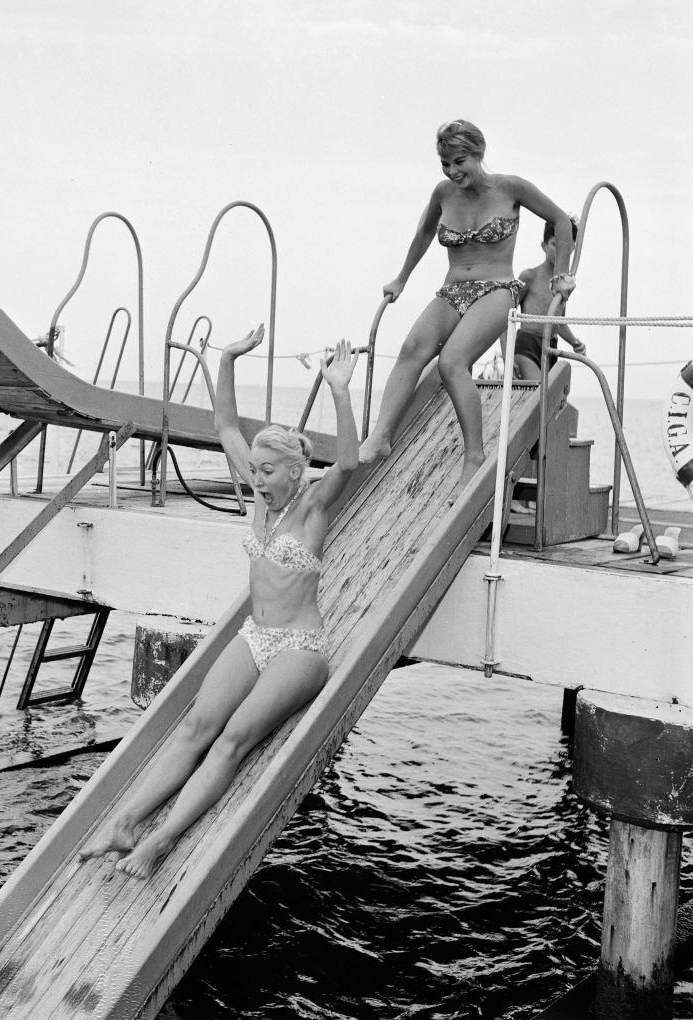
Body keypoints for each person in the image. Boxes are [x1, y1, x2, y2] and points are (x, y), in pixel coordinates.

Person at [79, 328, 360, 879]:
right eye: (253, 469)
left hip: (300, 649)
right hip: (255, 636)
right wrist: (227, 359)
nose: (256, 479)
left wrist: (341, 391)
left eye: (267, 471)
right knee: (195, 726)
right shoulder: (259, 492)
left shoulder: (312, 507)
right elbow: (226, 425)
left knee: (232, 740)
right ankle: (126, 822)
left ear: (295, 472)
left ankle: (159, 841)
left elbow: (349, 463)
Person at [357, 119, 577, 500]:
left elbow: (561, 222)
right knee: (412, 350)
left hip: (496, 288)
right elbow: (424, 233)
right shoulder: (443, 193)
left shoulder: (512, 187)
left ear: (478, 153)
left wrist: (561, 275)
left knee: (451, 362)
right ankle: (381, 436)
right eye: (445, 164)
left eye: (459, 161)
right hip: (453, 287)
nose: (453, 171)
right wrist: (401, 279)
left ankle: (473, 456)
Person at [505, 217, 586, 381]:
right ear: (544, 246)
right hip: (527, 346)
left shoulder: (562, 285)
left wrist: (575, 342)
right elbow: (505, 315)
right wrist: (508, 356)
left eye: (566, 246)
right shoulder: (530, 276)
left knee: (555, 398)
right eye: (555, 245)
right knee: (541, 394)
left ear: (572, 249)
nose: (560, 251)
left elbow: (558, 322)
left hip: (550, 347)